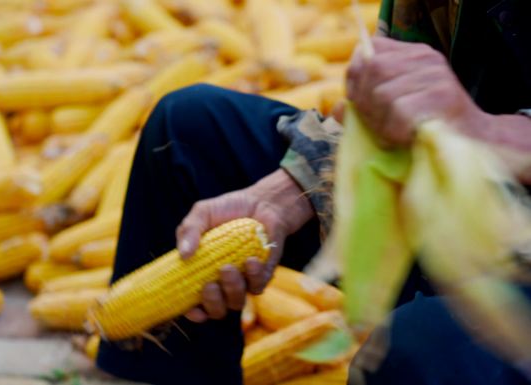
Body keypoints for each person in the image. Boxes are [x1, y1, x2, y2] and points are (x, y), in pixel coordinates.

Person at [96, 1, 531, 384]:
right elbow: (396, 122)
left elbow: (455, 121)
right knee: (189, 131)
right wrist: (285, 195)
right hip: (458, 208)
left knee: (422, 347)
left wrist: (485, 131)